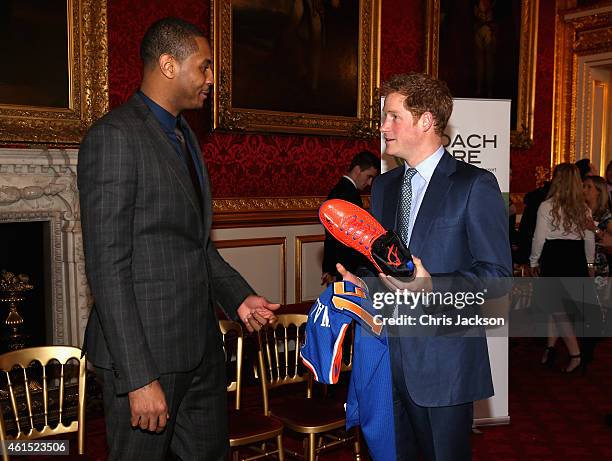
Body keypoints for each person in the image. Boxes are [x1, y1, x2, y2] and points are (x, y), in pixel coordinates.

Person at [78, 18, 279, 461]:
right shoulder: (114, 138)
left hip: (200, 352)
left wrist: (239, 297)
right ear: (168, 65)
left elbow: (195, 245)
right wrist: (137, 377)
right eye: (204, 67)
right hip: (146, 358)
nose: (211, 80)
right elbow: (107, 268)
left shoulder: (185, 135)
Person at [340, 72, 511, 461]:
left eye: (393, 116)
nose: (382, 126)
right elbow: (387, 265)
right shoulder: (383, 187)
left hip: (443, 367)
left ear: (426, 120)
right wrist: (363, 284)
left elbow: (498, 280)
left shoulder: (474, 185)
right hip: (385, 360)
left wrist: (433, 287)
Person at [528, 163, 595, 373]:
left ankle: (575, 354)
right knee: (557, 308)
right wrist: (590, 263)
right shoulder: (582, 208)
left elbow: (539, 238)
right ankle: (550, 348)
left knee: (558, 310)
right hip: (575, 258)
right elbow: (590, 239)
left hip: (555, 257)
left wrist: (533, 261)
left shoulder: (547, 206)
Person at [321, 150, 379, 285]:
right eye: (368, 176)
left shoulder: (339, 189)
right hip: (346, 265)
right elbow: (344, 238)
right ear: (357, 170)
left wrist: (329, 267)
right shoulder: (349, 195)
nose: (369, 183)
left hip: (338, 264)